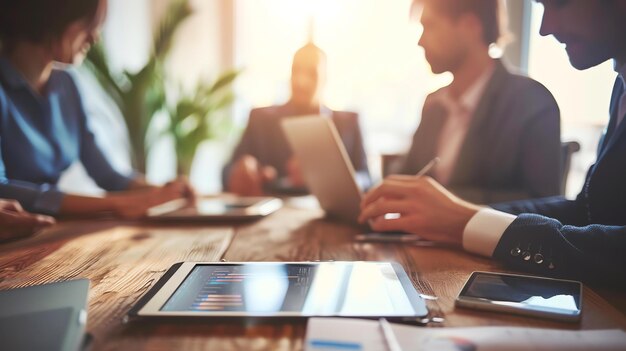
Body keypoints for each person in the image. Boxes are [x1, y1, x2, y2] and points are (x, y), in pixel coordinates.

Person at [360, 0, 626, 288]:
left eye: (559, 4)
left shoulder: (530, 101)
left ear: (470, 25)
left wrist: (458, 214)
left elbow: (559, 203)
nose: (543, 28)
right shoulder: (620, 88)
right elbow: (587, 210)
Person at [0, 0, 194, 218]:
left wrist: (164, 190)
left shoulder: (67, 85)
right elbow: (2, 190)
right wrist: (117, 204)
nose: (94, 37)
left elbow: (107, 175)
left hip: (45, 231)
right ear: (52, 16)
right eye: (88, 25)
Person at [393, 0, 561, 204]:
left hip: (482, 237)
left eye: (430, 26)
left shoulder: (532, 103)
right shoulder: (434, 105)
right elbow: (408, 178)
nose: (420, 41)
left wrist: (444, 203)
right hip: (420, 236)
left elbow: (543, 203)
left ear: (470, 26)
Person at [223, 42, 370, 196]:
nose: (301, 81)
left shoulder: (349, 123)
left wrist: (332, 179)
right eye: (296, 71)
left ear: (325, 78)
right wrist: (240, 171)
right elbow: (226, 172)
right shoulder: (260, 120)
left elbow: (366, 178)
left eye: (311, 73)